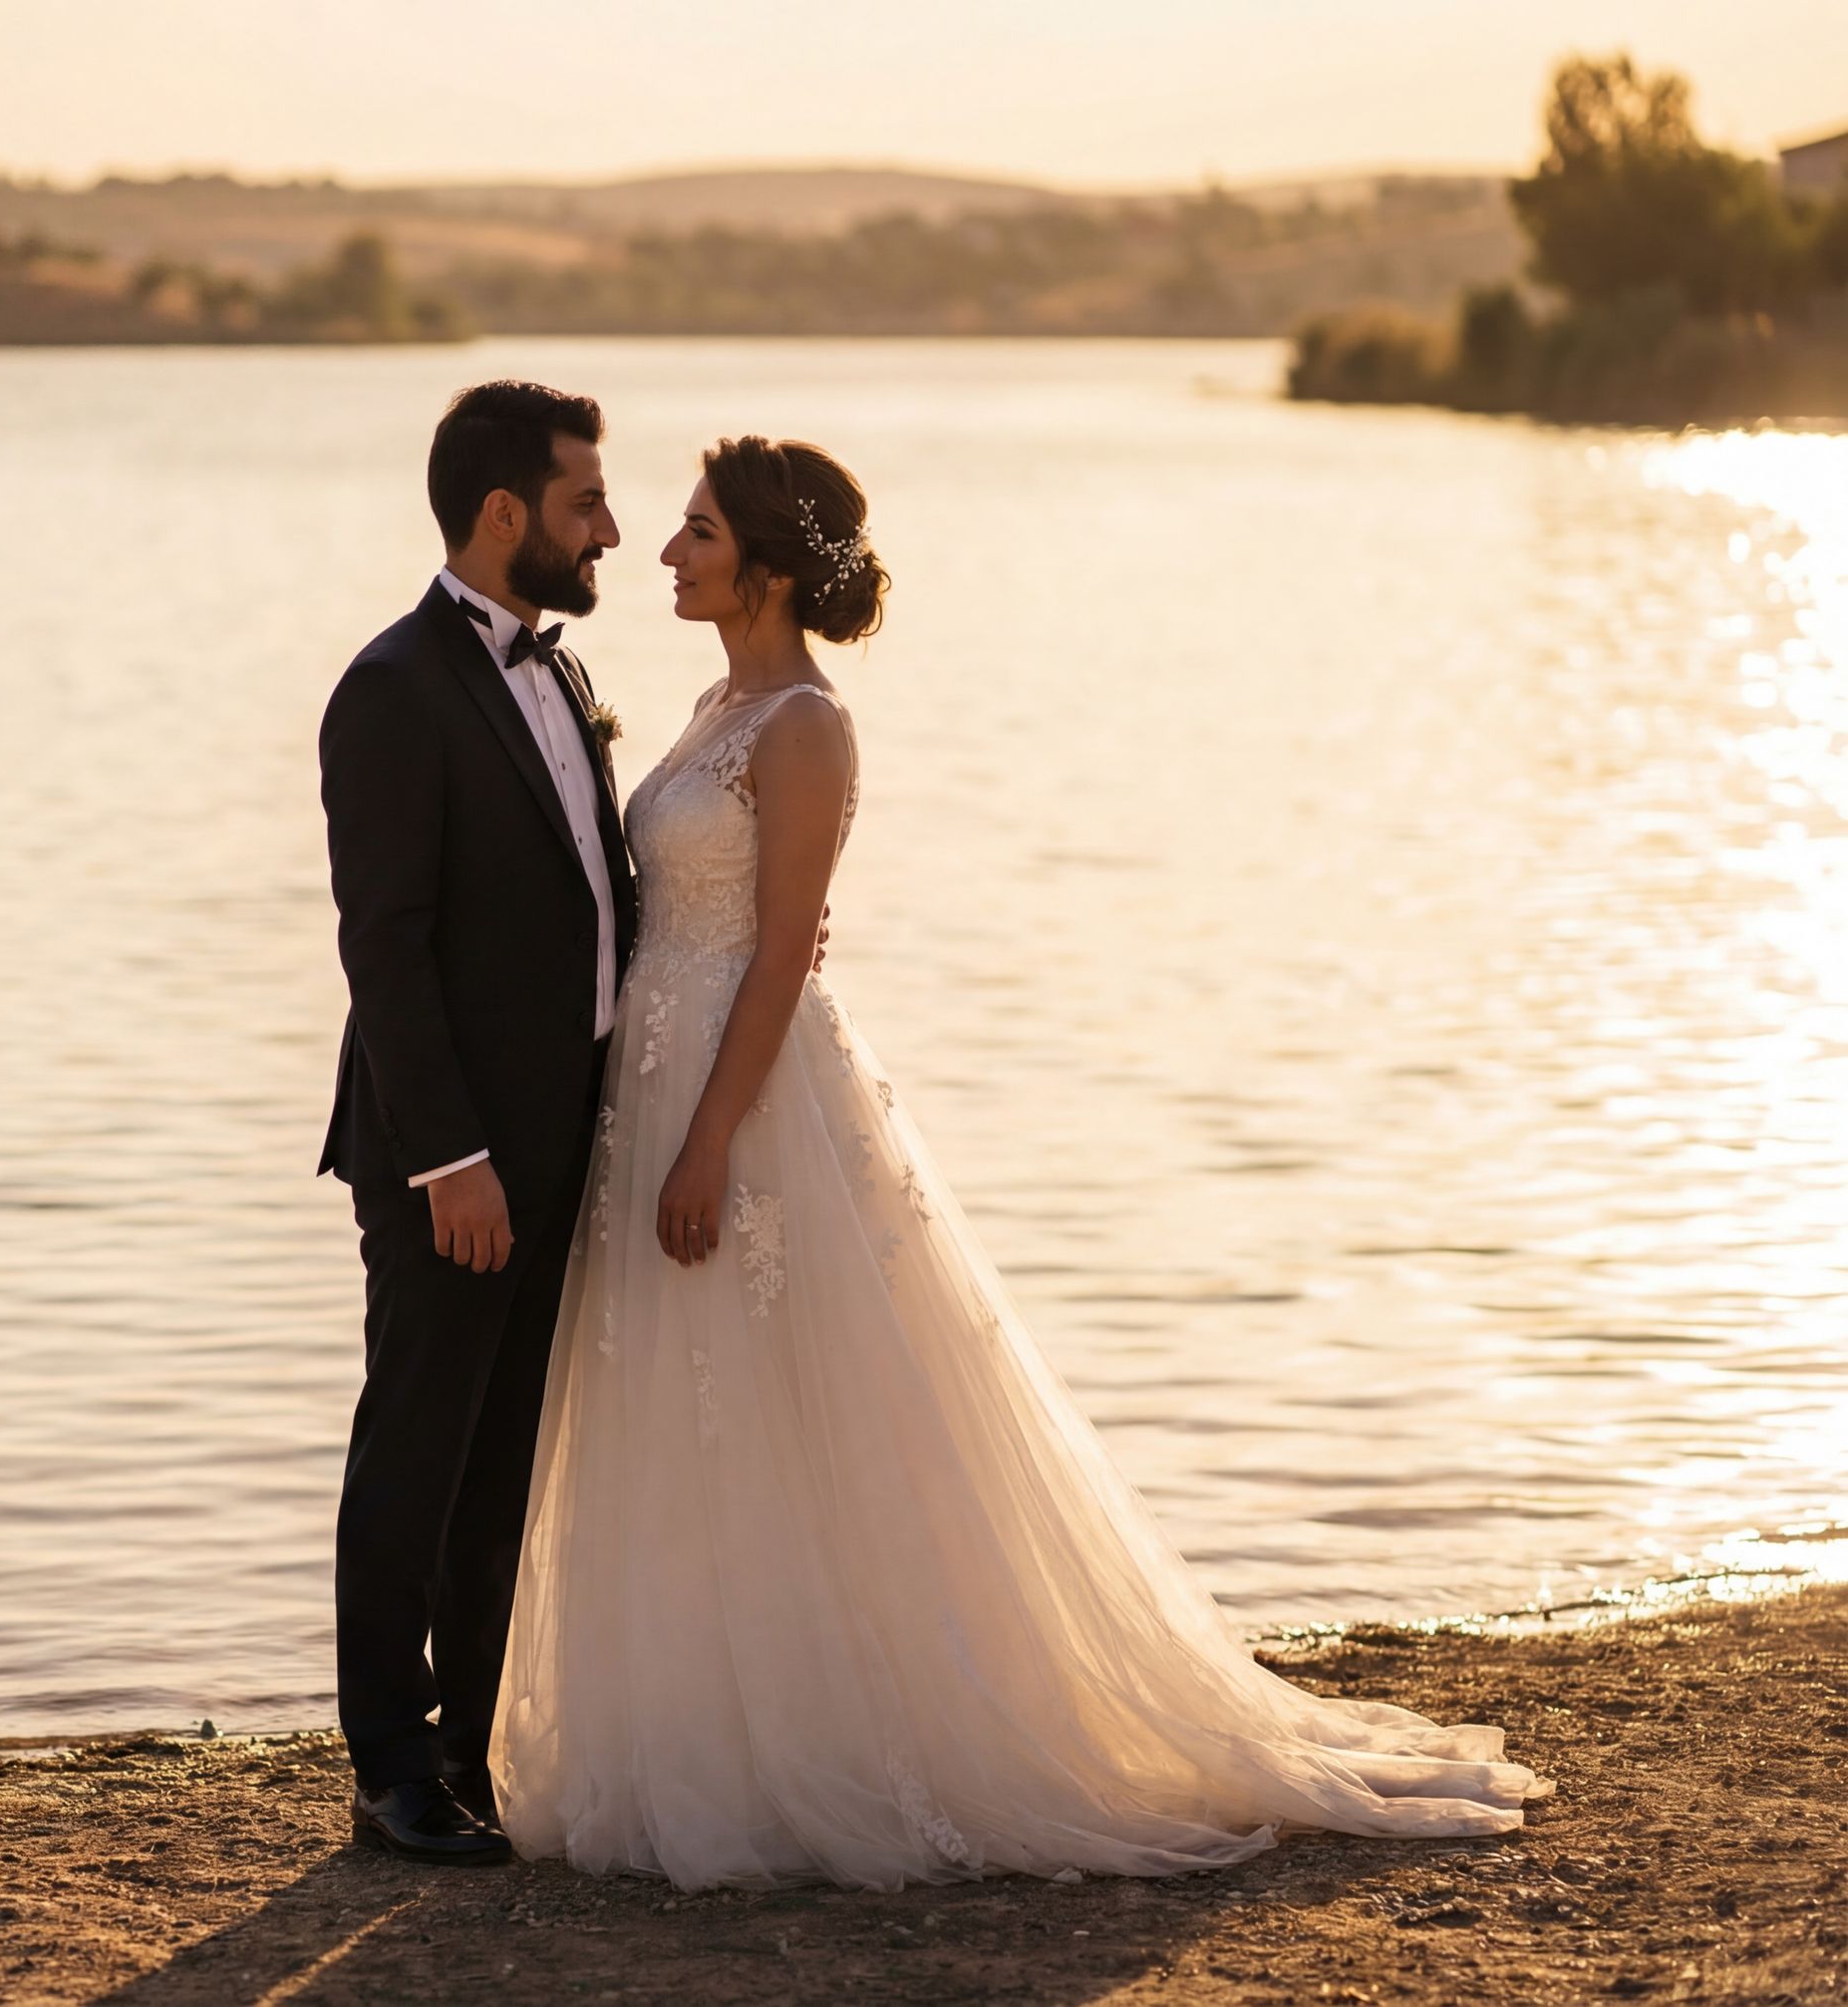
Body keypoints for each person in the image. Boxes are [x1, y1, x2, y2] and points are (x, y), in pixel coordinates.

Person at [487, 435, 1542, 1891]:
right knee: (695, 1411)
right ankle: (698, 1719)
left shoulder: (803, 724)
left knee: (788, 1402)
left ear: (771, 570)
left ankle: (841, 1732)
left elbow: (784, 947)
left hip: (744, 1093)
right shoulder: (714, 699)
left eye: (698, 532)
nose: (667, 552)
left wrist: (711, 1135)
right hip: (654, 1081)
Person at [315, 380, 635, 1863]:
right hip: (453, 1159)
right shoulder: (391, 689)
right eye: (585, 503)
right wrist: (452, 1159)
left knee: (503, 1455)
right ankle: (390, 1762)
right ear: (504, 514)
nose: (610, 532)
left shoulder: (562, 680)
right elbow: (384, 941)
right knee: (418, 1443)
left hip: (564, 1141)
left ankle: (473, 1743)